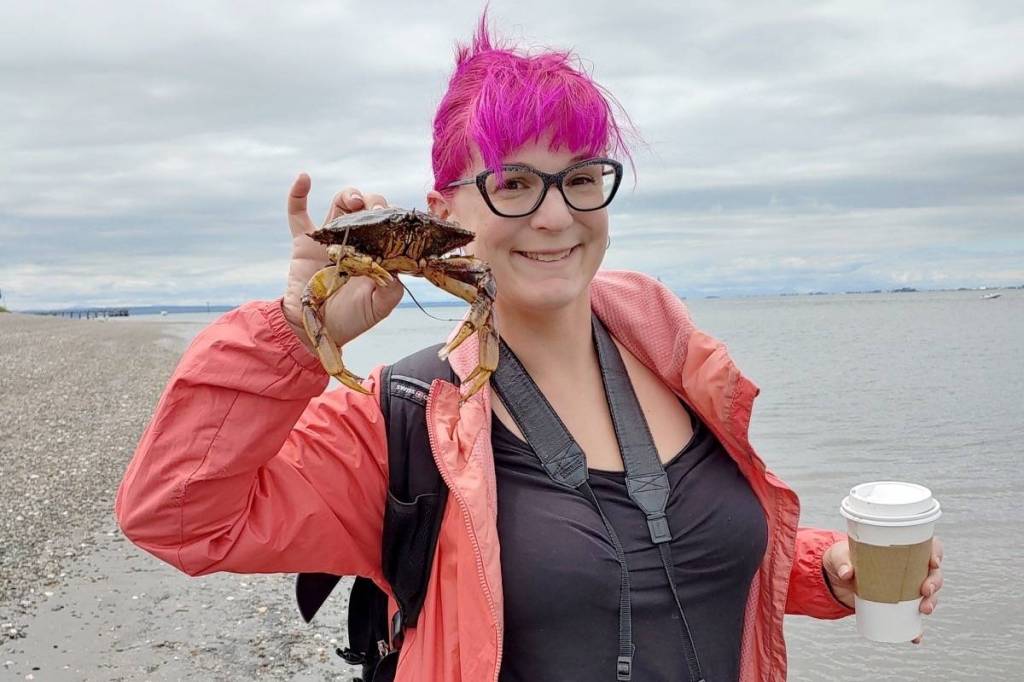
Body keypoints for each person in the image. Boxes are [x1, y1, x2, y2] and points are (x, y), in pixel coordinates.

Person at [115, 15, 944, 682]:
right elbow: (177, 517)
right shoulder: (402, 426)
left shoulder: (681, 365)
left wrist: (825, 573)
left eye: (581, 177)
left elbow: (692, 557)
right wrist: (300, 332)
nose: (555, 215)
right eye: (512, 182)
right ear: (447, 208)